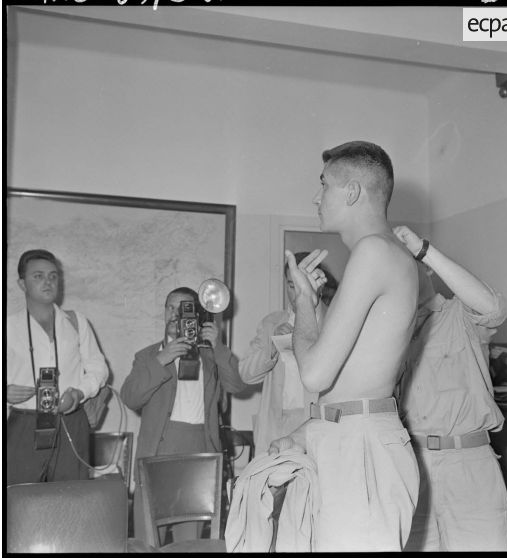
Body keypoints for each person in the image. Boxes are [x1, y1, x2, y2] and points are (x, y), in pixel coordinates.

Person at [269, 141, 420, 552]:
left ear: (352, 192)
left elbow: (316, 373)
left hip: (361, 446)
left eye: (324, 186)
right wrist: (314, 309)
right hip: (350, 436)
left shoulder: (372, 251)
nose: (316, 197)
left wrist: (301, 303)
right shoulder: (384, 253)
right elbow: (351, 374)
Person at [393, 225, 507, 552]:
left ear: (427, 269)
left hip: (467, 464)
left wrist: (423, 250)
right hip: (414, 467)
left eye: (410, 264)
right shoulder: (394, 332)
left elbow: (494, 308)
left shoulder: (459, 315)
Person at [121, 286, 245, 544]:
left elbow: (237, 385)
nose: (176, 314)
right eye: (170, 307)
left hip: (198, 453)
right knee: (148, 542)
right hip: (156, 453)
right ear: (164, 311)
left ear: (196, 315)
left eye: (184, 308)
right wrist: (161, 359)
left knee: (188, 544)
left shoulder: (210, 356)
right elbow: (130, 397)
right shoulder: (147, 356)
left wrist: (218, 346)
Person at [7, 249, 109, 484]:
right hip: (25, 422)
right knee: (19, 500)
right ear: (22, 284)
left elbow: (98, 367)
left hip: (70, 421)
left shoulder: (76, 321)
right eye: (38, 276)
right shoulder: (9, 326)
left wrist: (79, 392)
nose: (48, 282)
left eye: (53, 276)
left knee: (70, 499)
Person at [239, 252, 337, 457]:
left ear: (317, 284)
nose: (295, 293)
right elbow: (246, 374)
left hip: (315, 425)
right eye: (290, 285)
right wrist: (272, 347)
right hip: (275, 426)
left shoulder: (334, 320)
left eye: (300, 284)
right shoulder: (270, 323)